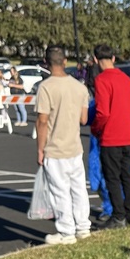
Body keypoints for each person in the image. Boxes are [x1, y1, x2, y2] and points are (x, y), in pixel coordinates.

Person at [35, 45, 91, 245]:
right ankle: (83, 226)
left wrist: (40, 149)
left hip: (55, 148)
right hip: (74, 146)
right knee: (78, 189)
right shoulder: (80, 87)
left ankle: (66, 231)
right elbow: (84, 119)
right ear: (65, 61)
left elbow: (42, 121)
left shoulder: (46, 87)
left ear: (46, 63)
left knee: (60, 192)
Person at [90, 44, 130, 228]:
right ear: (113, 58)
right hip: (126, 135)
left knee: (112, 177)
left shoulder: (101, 80)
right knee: (126, 174)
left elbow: (102, 112)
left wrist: (96, 128)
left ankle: (118, 215)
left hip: (110, 136)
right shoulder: (127, 80)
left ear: (96, 59)